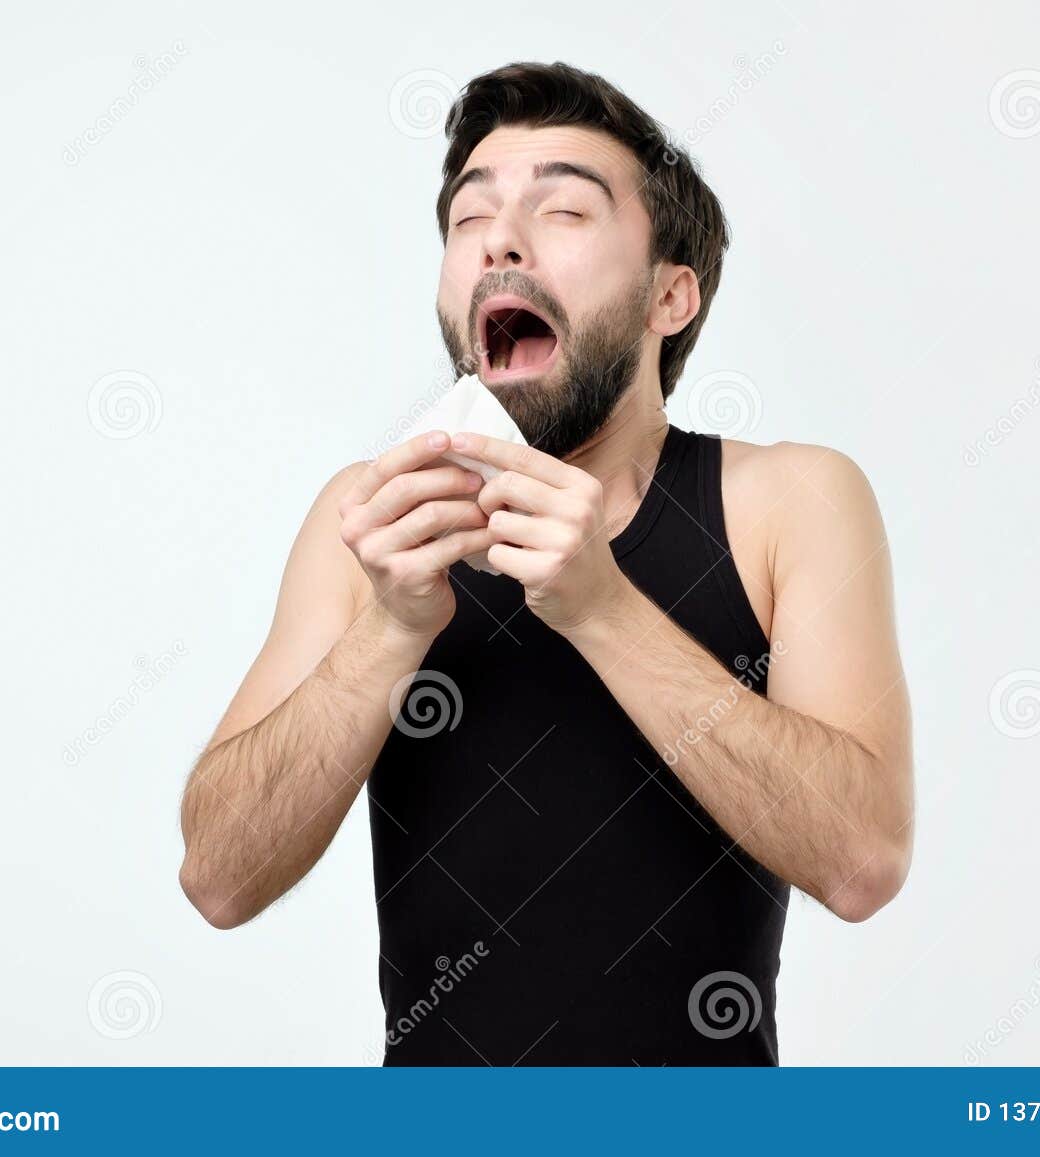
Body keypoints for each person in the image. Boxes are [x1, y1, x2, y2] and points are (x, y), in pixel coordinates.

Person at [178, 61, 913, 1065]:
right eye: (469, 217)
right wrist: (390, 627)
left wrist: (602, 607)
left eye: (564, 210)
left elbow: (862, 859)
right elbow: (219, 877)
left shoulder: (789, 500)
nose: (501, 240)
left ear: (669, 296)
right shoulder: (370, 521)